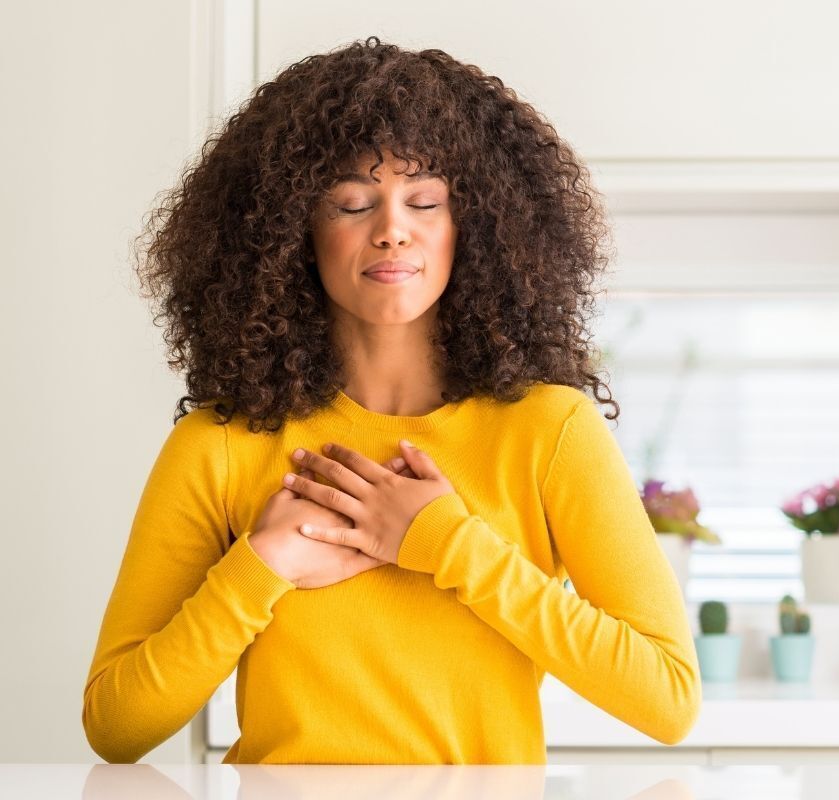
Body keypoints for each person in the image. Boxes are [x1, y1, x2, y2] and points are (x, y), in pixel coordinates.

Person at [82, 37, 700, 764]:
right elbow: (116, 727)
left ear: (475, 225)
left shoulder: (551, 430)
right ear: (289, 232)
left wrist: (447, 543)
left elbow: (667, 698)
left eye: (425, 200)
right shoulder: (224, 443)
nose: (391, 228)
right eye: (350, 203)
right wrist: (260, 565)